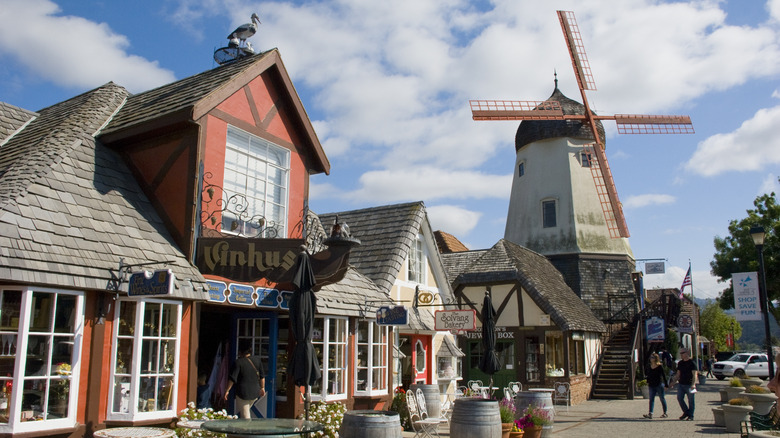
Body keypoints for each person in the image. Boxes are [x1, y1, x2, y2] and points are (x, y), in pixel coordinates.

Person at [224, 341, 266, 418]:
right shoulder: (257, 360)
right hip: (255, 392)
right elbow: (262, 376)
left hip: (243, 393)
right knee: (246, 411)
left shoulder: (238, 362)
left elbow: (232, 378)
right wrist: (262, 387)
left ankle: (248, 429)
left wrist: (227, 390)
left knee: (245, 417)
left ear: (240, 351)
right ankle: (243, 428)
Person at [672, 348, 698, 421]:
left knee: (691, 401)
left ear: (687, 353)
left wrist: (693, 384)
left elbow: (695, 374)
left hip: (689, 384)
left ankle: (691, 415)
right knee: (680, 398)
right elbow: (678, 374)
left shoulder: (692, 363)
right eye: (680, 353)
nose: (681, 354)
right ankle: (686, 412)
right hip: (681, 384)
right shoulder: (680, 363)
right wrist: (672, 383)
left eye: (682, 353)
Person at [642, 352, 668, 419]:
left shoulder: (659, 366)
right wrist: (647, 381)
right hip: (651, 384)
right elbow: (648, 375)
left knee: (662, 398)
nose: (651, 359)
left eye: (652, 357)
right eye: (650, 357)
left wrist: (666, 384)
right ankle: (650, 413)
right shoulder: (649, 366)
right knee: (651, 399)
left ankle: (665, 413)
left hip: (659, 384)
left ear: (656, 358)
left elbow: (664, 375)